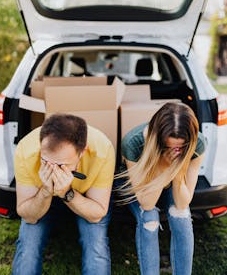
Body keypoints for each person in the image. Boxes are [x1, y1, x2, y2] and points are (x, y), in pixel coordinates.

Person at [12, 113, 115, 275]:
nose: (53, 171)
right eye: (46, 162)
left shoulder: (102, 150)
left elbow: (96, 214)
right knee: (28, 248)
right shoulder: (26, 150)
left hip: (85, 197)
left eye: (61, 165)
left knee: (96, 247)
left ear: (82, 152)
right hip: (41, 196)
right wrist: (46, 191)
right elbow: (29, 216)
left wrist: (67, 193)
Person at [116, 102, 206, 275]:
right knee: (149, 218)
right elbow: (147, 203)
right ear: (157, 139)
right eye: (168, 146)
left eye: (180, 148)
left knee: (182, 217)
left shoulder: (198, 144)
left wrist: (178, 171)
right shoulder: (134, 143)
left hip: (171, 181)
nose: (174, 151)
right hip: (140, 184)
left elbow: (182, 203)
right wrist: (163, 166)